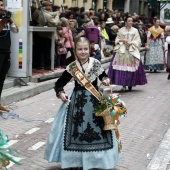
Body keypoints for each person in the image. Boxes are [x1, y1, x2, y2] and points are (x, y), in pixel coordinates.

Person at [44, 37, 121, 170]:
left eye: (85, 49)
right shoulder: (72, 67)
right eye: (80, 49)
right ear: (75, 50)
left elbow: (104, 77)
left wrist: (106, 80)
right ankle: (76, 162)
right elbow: (59, 83)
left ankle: (98, 161)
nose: (83, 52)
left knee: (99, 130)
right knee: (76, 131)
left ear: (89, 49)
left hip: (95, 103)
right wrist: (61, 93)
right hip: (77, 103)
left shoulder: (96, 63)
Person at [107, 16, 147, 91]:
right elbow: (117, 39)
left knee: (132, 67)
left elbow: (138, 41)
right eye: (129, 21)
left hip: (132, 50)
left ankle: (130, 83)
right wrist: (123, 40)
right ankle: (123, 83)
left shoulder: (135, 30)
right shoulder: (121, 30)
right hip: (122, 50)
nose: (130, 22)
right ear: (125, 22)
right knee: (122, 67)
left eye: (131, 21)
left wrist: (132, 42)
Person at [0, 0, 18, 113]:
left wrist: (9, 19)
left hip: (6, 52)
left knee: (1, 79)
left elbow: (16, 30)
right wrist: (2, 21)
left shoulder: (6, 20)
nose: (1, 8)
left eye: (2, 5)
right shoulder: (2, 21)